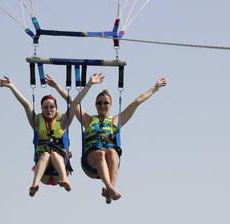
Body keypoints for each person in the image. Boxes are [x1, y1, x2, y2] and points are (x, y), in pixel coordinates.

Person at [48, 74, 167, 204]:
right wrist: (56, 86)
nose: (102, 105)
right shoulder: (88, 120)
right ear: (95, 105)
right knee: (101, 154)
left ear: (110, 105)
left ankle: (109, 191)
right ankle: (110, 189)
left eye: (106, 103)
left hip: (110, 162)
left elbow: (136, 102)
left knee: (112, 152)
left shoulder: (115, 121)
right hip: (90, 163)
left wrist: (155, 88)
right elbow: (72, 101)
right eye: (99, 103)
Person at [0, 73, 105, 197]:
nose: (49, 110)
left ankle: (65, 180)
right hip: (44, 174)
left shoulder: (63, 122)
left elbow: (75, 103)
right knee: (46, 154)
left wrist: (88, 84)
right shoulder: (37, 122)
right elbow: (26, 104)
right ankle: (34, 184)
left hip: (60, 171)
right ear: (41, 109)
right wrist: (11, 86)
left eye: (52, 107)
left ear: (56, 108)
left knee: (53, 154)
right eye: (45, 107)